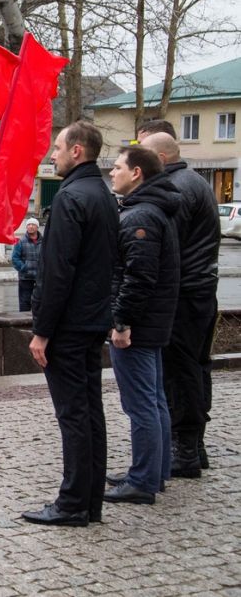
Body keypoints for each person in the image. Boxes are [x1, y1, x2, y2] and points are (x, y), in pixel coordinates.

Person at [23, 121, 119, 527]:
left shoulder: (71, 197)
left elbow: (57, 270)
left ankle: (74, 502)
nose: (53, 154)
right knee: (89, 411)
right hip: (93, 319)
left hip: (69, 325)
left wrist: (42, 330)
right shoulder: (103, 194)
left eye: (58, 148)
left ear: (77, 151)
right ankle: (89, 499)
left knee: (74, 414)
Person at [102, 145, 180, 505]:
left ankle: (143, 479)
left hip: (139, 326)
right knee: (154, 399)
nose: (112, 173)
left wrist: (122, 322)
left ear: (136, 173)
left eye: (117, 167)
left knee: (141, 404)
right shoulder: (152, 211)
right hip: (154, 322)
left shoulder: (140, 217)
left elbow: (138, 277)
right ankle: (155, 471)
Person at [140, 131, 220, 475]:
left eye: (141, 156)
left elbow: (164, 248)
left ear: (160, 159)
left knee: (180, 370)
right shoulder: (192, 182)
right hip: (198, 290)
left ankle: (185, 448)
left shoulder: (177, 189)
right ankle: (193, 445)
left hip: (184, 294)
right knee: (195, 367)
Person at [11, 218, 43, 312]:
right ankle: (23, 322)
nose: (31, 226)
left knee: (40, 301)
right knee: (25, 302)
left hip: (40, 277)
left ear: (37, 227)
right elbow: (15, 258)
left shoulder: (44, 242)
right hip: (25, 277)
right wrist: (23, 267)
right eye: (29, 225)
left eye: (33, 224)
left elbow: (48, 256)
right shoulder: (20, 241)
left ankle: (37, 322)